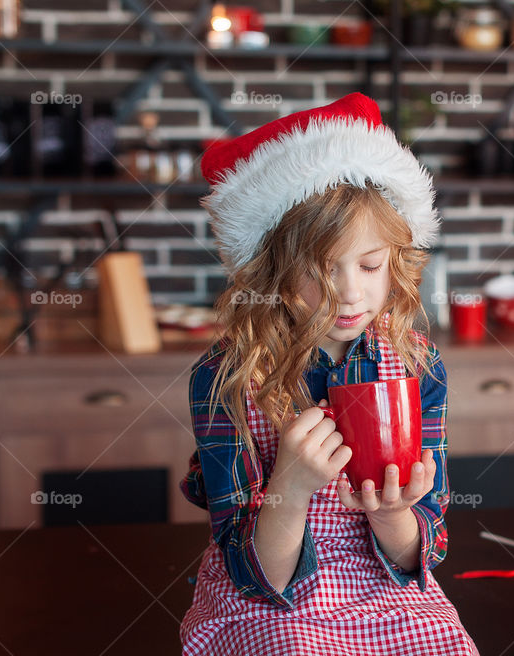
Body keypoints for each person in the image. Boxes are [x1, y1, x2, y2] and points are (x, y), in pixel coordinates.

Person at [179, 92, 479, 655]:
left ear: (397, 260)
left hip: (386, 591)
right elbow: (253, 574)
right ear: (269, 270)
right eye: (317, 272)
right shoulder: (228, 378)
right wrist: (289, 489)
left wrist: (393, 514)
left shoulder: (415, 364)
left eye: (369, 265)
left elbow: (424, 550)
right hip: (272, 600)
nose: (349, 293)